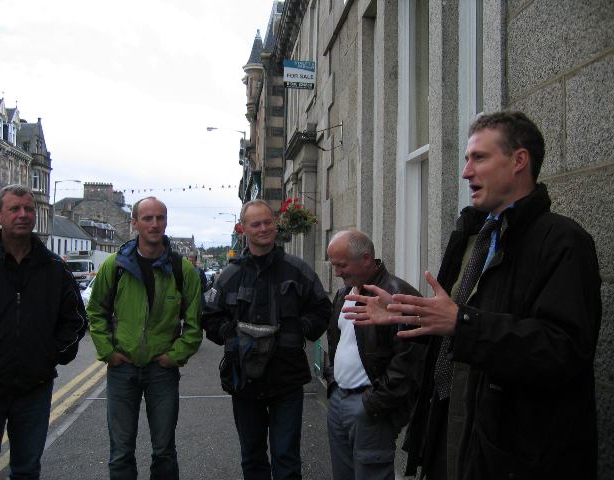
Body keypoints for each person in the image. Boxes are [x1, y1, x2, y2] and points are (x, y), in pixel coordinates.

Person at [344, 111, 601, 480]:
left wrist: (461, 322)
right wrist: (409, 314)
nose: (466, 172)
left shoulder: (563, 242)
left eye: (479, 157)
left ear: (519, 161)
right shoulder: (471, 237)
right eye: (466, 159)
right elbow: (458, 328)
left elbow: (563, 350)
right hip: (450, 432)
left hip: (514, 455)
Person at [202, 199, 331, 480]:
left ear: (275, 224)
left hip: (287, 379)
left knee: (287, 459)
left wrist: (300, 328)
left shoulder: (298, 270)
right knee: (252, 458)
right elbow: (209, 317)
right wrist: (231, 335)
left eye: (268, 222)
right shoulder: (229, 275)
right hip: (244, 381)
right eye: (256, 224)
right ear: (243, 229)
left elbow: (322, 309)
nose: (263, 228)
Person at [0, 184, 87, 479]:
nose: (23, 214)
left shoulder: (55, 268)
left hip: (34, 389)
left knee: (26, 470)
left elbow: (75, 320)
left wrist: (51, 355)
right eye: (14, 209)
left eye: (28, 209)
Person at [87, 196, 202, 480]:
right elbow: (96, 311)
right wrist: (108, 352)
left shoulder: (182, 270)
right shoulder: (115, 266)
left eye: (160, 218)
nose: (154, 224)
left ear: (166, 222)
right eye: (147, 218)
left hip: (162, 371)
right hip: (122, 370)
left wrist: (174, 357)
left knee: (164, 451)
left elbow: (195, 323)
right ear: (135, 223)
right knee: (120, 453)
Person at [324, 230, 424, 480]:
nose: (337, 273)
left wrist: (373, 403)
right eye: (334, 265)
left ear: (366, 259)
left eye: (341, 265)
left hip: (369, 407)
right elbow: (335, 341)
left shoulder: (398, 294)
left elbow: (409, 361)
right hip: (339, 400)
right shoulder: (344, 293)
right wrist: (333, 382)